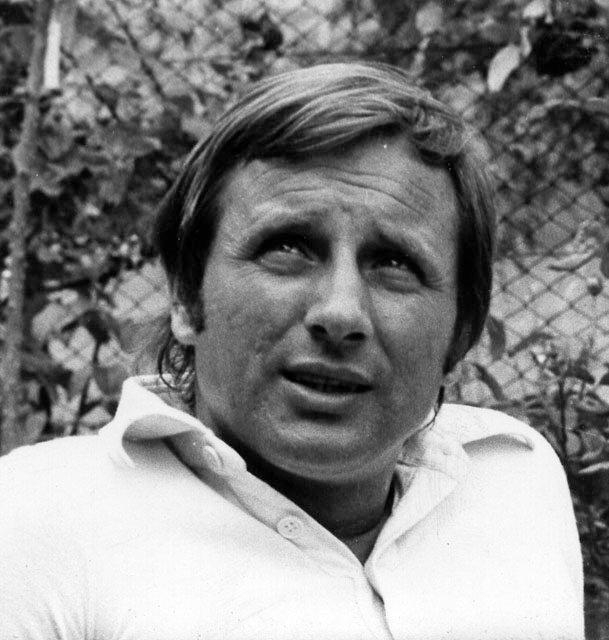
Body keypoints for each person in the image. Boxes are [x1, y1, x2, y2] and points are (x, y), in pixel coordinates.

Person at [0, 62, 583, 639]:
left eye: (394, 262)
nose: (341, 312)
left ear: (462, 328)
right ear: (186, 295)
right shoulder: (40, 521)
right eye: (288, 247)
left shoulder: (513, 479)